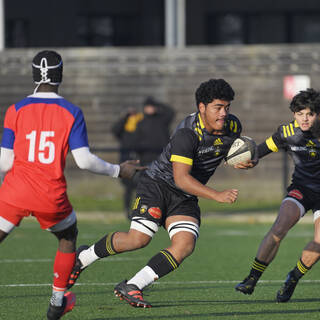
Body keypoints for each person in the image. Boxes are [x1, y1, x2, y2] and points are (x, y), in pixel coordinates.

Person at [67, 78, 255, 308]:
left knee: (185, 245)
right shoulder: (187, 134)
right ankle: (83, 257)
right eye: (218, 107)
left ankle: (133, 285)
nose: (224, 113)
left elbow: (224, 151)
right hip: (158, 184)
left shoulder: (233, 126)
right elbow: (181, 178)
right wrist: (217, 195)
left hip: (184, 195)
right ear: (202, 107)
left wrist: (241, 161)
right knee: (138, 239)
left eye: (227, 107)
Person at [0, 50, 144, 320]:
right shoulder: (72, 112)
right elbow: (84, 160)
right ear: (60, 75)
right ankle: (57, 303)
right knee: (67, 237)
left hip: (14, 191)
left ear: (33, 75)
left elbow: (5, 162)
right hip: (49, 195)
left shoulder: (15, 110)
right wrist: (118, 170)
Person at [235, 88, 320, 303]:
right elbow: (262, 150)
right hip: (302, 188)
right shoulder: (287, 132)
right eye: (300, 114)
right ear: (294, 114)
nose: (304, 119)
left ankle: (293, 278)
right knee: (279, 227)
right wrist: (250, 160)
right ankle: (252, 278)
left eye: (310, 114)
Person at [111, 108, 143, 218]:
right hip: (126, 161)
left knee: (140, 188)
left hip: (139, 160)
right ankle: (127, 211)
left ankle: (138, 210)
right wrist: (125, 117)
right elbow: (115, 130)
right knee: (128, 189)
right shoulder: (124, 127)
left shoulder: (141, 125)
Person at [134, 96, 175, 166]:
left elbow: (171, 112)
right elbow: (136, 140)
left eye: (151, 106)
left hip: (162, 156)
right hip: (146, 157)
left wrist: (157, 104)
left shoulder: (162, 119)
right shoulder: (141, 123)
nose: (150, 109)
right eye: (148, 106)